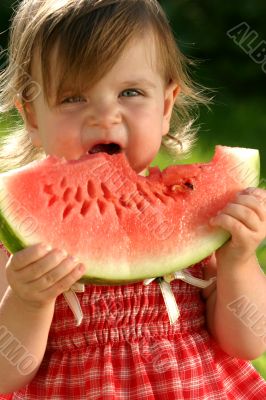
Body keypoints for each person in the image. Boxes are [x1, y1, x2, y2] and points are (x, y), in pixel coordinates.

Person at [0, 0, 266, 398]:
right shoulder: (14, 241)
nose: (105, 116)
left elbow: (248, 342)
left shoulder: (202, 218)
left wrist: (238, 261)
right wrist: (27, 301)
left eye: (130, 92)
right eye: (73, 98)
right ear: (33, 116)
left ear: (166, 105)